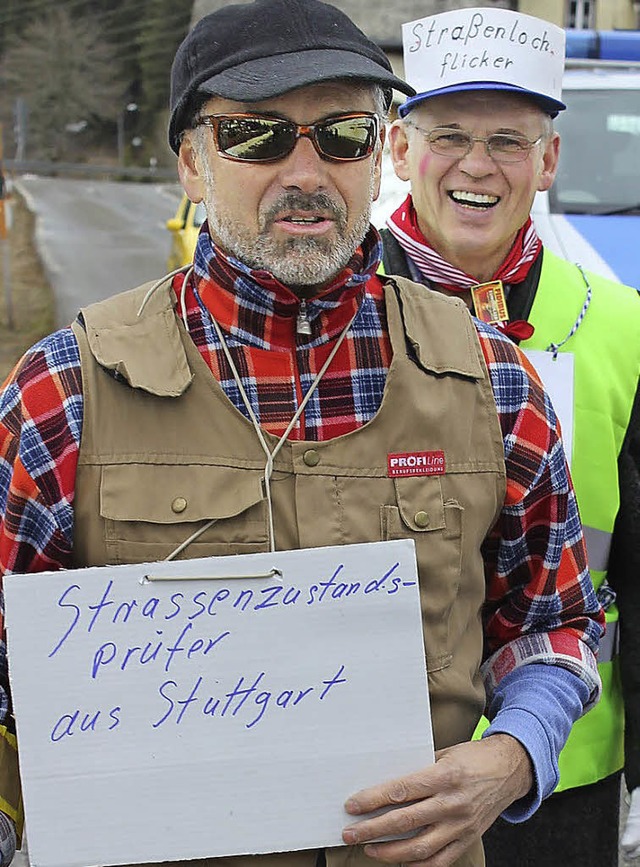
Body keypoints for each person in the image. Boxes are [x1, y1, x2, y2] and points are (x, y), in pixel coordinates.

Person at [0, 1, 604, 866]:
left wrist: (513, 755)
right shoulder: (66, 391)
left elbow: (556, 620)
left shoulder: (493, 381)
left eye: (343, 134)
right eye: (257, 136)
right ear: (192, 165)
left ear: (377, 157)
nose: (307, 171)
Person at [380, 6, 640, 866]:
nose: (478, 166)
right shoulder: (322, 313)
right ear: (399, 149)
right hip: (375, 775)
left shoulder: (624, 326)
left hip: (565, 774)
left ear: (549, 160)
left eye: (510, 140)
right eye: (448, 134)